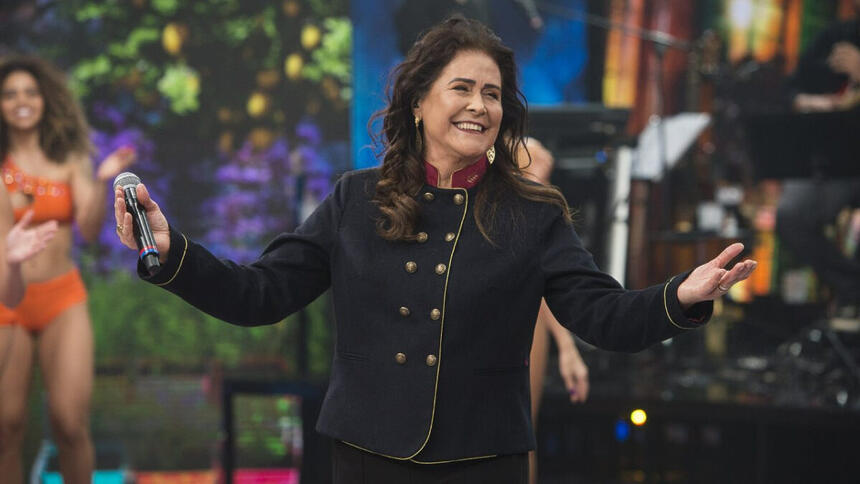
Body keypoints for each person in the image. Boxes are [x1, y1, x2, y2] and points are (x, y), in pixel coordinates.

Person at [115, 17, 756, 483]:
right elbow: (260, 295)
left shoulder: (533, 214)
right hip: (365, 456)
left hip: (485, 460)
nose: (480, 105)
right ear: (419, 102)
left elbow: (602, 316)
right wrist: (174, 255)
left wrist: (681, 297)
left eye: (494, 93)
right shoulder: (354, 199)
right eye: (462, 88)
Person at [0, 55, 136, 484]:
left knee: (69, 423)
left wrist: (101, 179)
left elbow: (92, 230)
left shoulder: (69, 158)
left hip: (62, 297)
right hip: (8, 300)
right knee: (7, 424)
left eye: (30, 92)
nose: (21, 101)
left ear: (44, 100)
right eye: (9, 94)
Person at [780, 1, 860, 319]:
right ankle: (853, 286)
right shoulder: (836, 36)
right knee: (791, 215)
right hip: (837, 161)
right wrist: (810, 102)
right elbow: (790, 90)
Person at [518, 137, 588, 484]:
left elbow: (542, 268)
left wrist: (567, 346)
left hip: (523, 318)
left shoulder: (530, 154)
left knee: (519, 436)